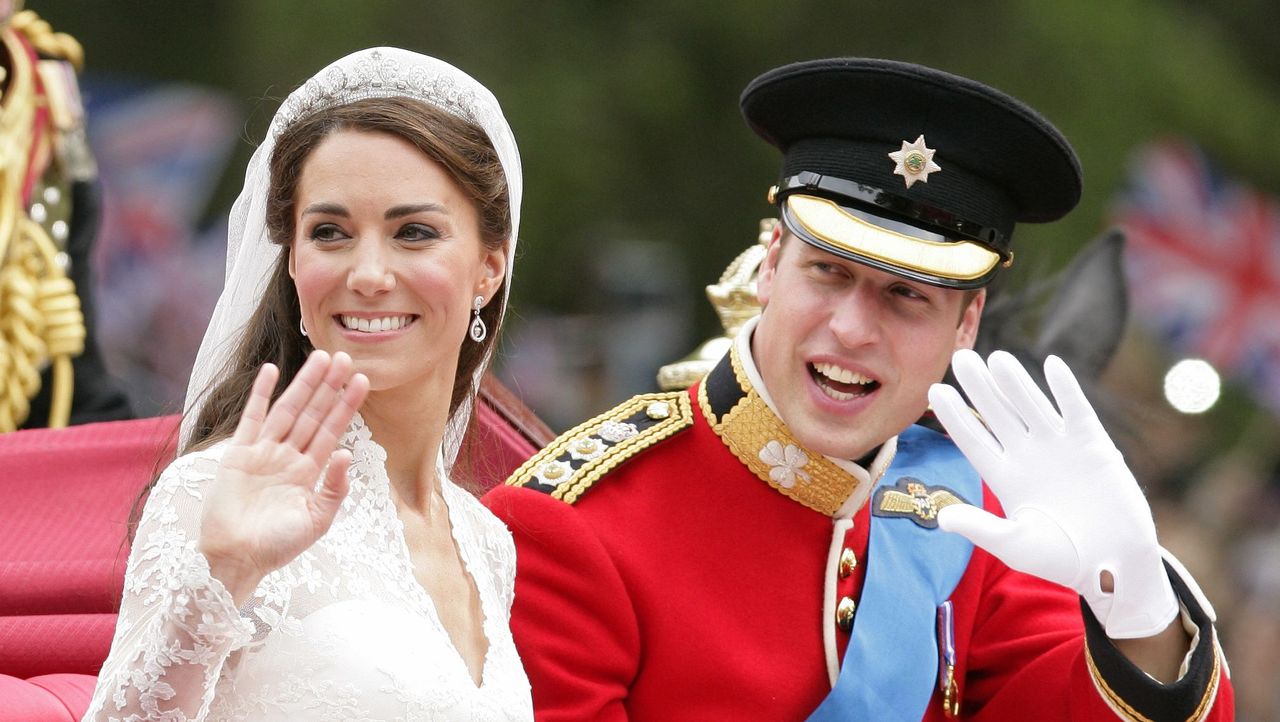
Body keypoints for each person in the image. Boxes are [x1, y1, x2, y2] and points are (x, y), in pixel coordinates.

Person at [484, 58, 1234, 720]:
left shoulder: (974, 520)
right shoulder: (576, 524)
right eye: (830, 272)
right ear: (771, 260)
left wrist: (1135, 602)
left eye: (907, 297)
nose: (851, 329)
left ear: (967, 321)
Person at [83, 47, 533, 721]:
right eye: (330, 233)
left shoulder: (488, 542)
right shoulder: (212, 492)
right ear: (291, 261)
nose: (369, 273)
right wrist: (222, 574)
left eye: (413, 233)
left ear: (489, 268)